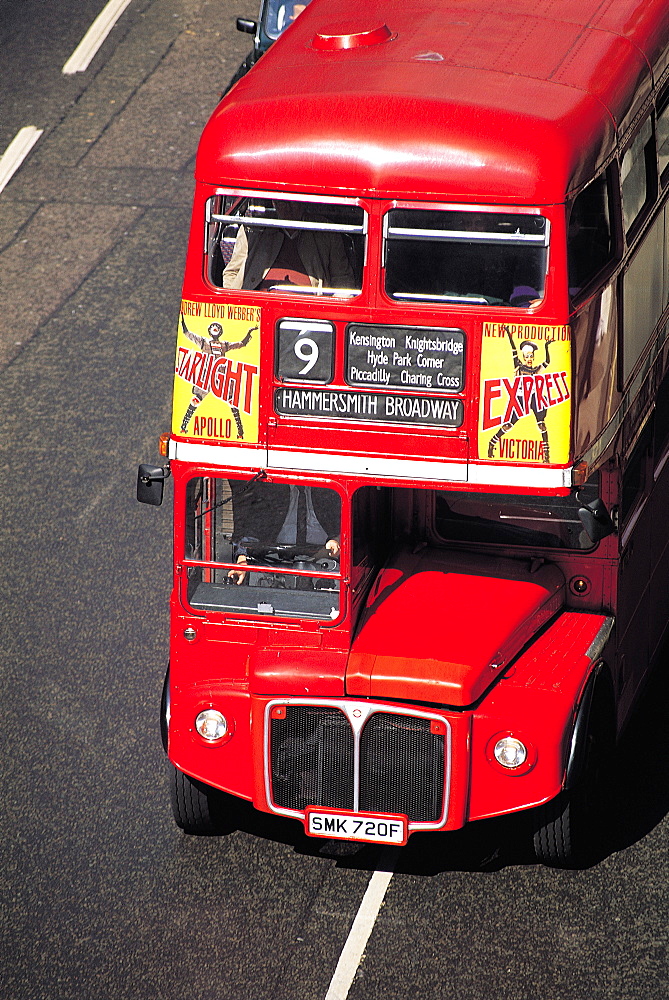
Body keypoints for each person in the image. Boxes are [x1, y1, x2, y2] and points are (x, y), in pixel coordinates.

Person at [222, 201, 355, 291]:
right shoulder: (255, 230)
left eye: (293, 202)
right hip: (258, 306)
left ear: (303, 203)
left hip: (309, 313)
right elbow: (232, 272)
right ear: (274, 203)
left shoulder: (326, 232)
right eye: (282, 202)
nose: (288, 207)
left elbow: (342, 280)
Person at [227, 482, 340, 584]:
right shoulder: (271, 492)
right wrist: (242, 560)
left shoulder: (331, 491)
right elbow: (253, 529)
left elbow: (345, 527)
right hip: (277, 561)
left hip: (323, 561)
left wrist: (336, 540)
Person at [178, 315, 256, 436]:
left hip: (221, 377)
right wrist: (183, 322)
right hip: (207, 376)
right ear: (209, 330)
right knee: (196, 400)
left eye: (217, 327)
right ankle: (183, 426)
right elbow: (188, 334)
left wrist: (249, 332)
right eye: (213, 327)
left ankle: (240, 431)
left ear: (220, 331)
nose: (215, 328)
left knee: (232, 401)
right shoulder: (204, 342)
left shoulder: (224, 345)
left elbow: (241, 344)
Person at [487, 325, 554, 462]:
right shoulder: (518, 367)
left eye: (531, 356)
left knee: (541, 424)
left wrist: (547, 346)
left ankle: (546, 454)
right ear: (523, 357)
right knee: (509, 425)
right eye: (527, 356)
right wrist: (508, 334)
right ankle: (492, 443)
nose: (529, 358)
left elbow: (547, 362)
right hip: (520, 398)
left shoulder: (535, 370)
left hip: (533, 396)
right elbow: (513, 351)